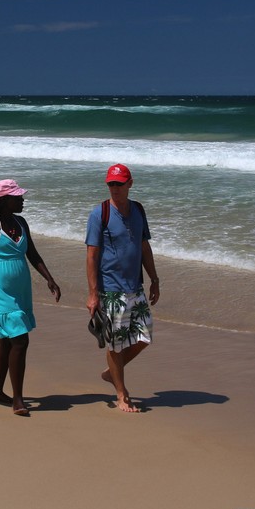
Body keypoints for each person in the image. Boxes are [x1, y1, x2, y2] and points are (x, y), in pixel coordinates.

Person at [0, 179, 61, 416]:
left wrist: (49, 278)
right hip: (0, 290)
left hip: (21, 290)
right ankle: (18, 399)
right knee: (20, 340)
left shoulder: (21, 222)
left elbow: (32, 253)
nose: (22, 200)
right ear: (4, 200)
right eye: (17, 197)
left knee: (6, 341)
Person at [85, 164, 160, 412]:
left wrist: (154, 278)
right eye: (111, 184)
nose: (115, 188)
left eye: (119, 184)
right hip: (111, 290)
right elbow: (92, 254)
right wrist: (93, 293)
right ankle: (121, 394)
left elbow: (144, 246)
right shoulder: (100, 214)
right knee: (115, 344)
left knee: (145, 336)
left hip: (135, 286)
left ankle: (112, 372)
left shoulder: (138, 210)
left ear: (130, 184)